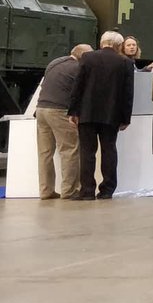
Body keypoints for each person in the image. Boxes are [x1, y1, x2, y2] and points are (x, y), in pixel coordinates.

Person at [67, 31, 135, 200]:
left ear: (102, 42)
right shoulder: (125, 62)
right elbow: (128, 93)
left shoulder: (88, 58)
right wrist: (126, 118)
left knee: (87, 152)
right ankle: (107, 190)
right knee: (109, 150)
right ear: (119, 45)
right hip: (111, 115)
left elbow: (78, 86)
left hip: (87, 113)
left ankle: (87, 191)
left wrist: (73, 111)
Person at [34, 43, 92, 200]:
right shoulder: (78, 68)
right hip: (59, 111)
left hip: (41, 109)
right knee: (69, 150)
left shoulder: (54, 63)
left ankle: (46, 191)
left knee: (45, 153)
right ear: (84, 56)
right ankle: (69, 191)